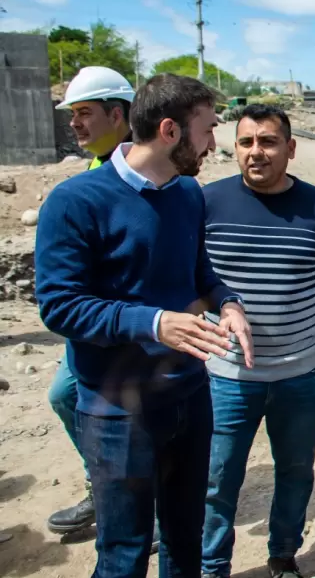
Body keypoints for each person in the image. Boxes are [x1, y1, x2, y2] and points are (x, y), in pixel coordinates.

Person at [34, 73, 253, 578]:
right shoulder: (75, 202)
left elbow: (200, 274)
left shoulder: (187, 195)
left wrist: (230, 303)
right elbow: (60, 306)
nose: (214, 143)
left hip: (189, 398)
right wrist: (154, 323)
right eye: (208, 129)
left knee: (183, 541)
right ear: (172, 131)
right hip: (117, 412)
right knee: (124, 553)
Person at [199, 105, 315, 578]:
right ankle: (212, 566)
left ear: (290, 148)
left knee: (296, 473)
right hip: (225, 375)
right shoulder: (206, 203)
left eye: (267, 141)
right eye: (246, 142)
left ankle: (283, 555)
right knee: (216, 480)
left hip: (300, 375)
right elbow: (189, 276)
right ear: (234, 147)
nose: (256, 152)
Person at [46, 65, 140, 538]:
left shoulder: (152, 169)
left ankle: (139, 501)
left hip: (133, 327)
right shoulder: (92, 169)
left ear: (118, 114)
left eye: (84, 113)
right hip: (92, 323)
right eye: (73, 114)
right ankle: (104, 485)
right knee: (66, 396)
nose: (74, 124)